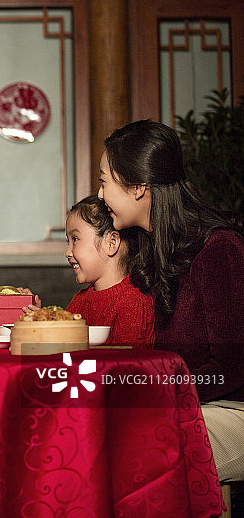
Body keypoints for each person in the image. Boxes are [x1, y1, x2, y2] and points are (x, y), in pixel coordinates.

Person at [98, 118, 244, 481]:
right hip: (192, 404)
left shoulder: (218, 247)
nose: (99, 195)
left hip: (233, 409)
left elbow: (235, 365)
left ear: (138, 187)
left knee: (131, 440)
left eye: (104, 181)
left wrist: (157, 390)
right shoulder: (153, 250)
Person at [64, 194, 155, 348]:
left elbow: (128, 367)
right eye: (68, 241)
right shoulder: (80, 301)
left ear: (111, 243)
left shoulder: (133, 304)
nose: (67, 252)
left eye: (75, 239)